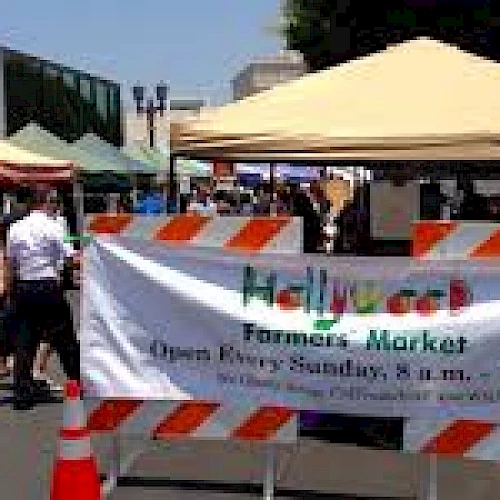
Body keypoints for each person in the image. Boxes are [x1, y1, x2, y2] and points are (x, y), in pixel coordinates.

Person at [5, 186, 81, 410]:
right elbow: (70, 259)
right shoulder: (54, 226)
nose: (57, 207)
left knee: (24, 341)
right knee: (65, 338)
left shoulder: (16, 228)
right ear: (46, 202)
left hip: (24, 287)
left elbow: (10, 263)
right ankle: (78, 382)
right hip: (48, 287)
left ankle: (22, 392)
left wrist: (11, 292)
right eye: (55, 202)